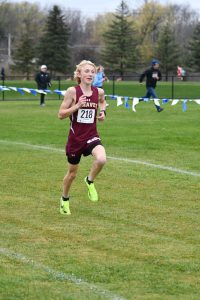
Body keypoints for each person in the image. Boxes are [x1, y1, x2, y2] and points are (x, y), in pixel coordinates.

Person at [58, 60, 107, 215]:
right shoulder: (72, 91)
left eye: (92, 72)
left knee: (101, 159)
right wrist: (77, 106)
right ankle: (64, 199)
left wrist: (103, 112)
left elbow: (103, 103)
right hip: (75, 140)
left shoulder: (98, 92)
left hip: (91, 135)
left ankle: (90, 180)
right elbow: (60, 114)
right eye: (86, 71)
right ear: (79, 74)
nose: (90, 74)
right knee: (72, 174)